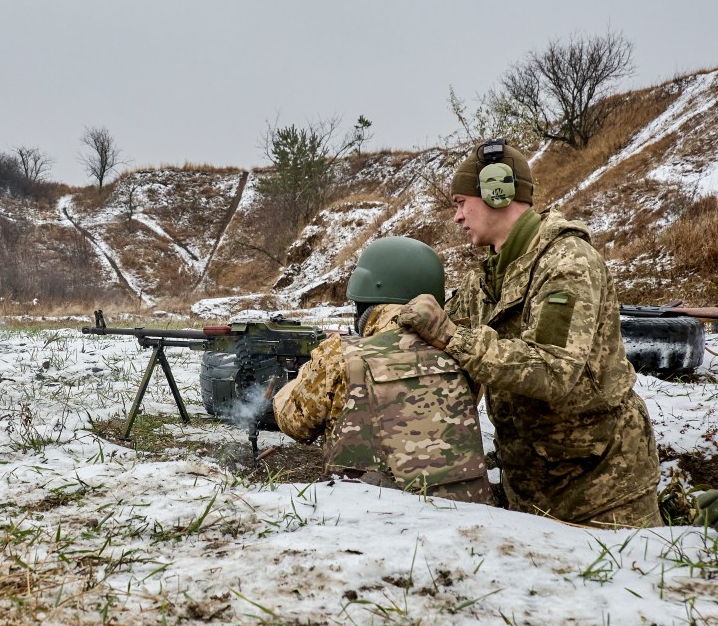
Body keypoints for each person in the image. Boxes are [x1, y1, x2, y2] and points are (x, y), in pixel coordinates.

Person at [398, 138, 662, 529]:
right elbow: (439, 326)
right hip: (533, 488)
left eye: (459, 202)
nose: (457, 217)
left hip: (602, 493)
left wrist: (455, 337)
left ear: (496, 192)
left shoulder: (567, 262)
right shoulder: (492, 274)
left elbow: (553, 370)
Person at [273, 236, 493, 504]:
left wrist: (299, 380)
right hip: (470, 516)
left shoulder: (340, 356)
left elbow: (296, 424)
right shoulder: (463, 348)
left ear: (365, 301)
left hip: (375, 517)